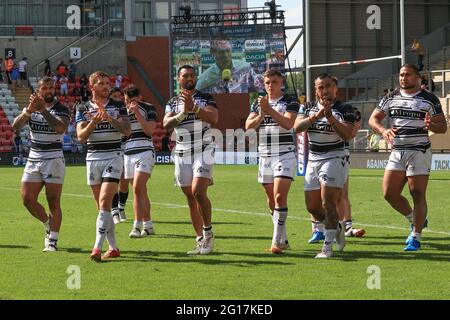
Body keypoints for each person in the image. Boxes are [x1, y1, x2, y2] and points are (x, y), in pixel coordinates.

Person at [368, 63, 447, 251]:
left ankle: (416, 236)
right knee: (389, 194)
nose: (404, 78)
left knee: (417, 193)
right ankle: (415, 219)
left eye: (408, 75)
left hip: (419, 150)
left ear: (418, 78)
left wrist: (431, 126)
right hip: (398, 151)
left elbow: (442, 126)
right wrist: (384, 130)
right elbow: (373, 119)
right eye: (402, 75)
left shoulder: (429, 99)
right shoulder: (391, 97)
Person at [294, 73, 356, 258]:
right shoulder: (307, 107)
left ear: (335, 88)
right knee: (312, 207)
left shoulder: (345, 108)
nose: (324, 90)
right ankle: (336, 225)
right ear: (316, 90)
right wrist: (315, 117)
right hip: (313, 158)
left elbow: (347, 134)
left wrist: (330, 118)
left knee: (328, 202)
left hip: (334, 157)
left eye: (328, 86)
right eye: (320, 87)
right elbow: (297, 127)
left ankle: (327, 247)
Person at [76, 71, 131, 262]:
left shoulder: (118, 106)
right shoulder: (82, 107)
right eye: (101, 83)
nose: (106, 86)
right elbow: (81, 137)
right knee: (102, 208)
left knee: (105, 202)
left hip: (113, 156)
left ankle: (96, 248)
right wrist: (94, 122)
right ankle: (113, 247)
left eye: (107, 83)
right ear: (92, 87)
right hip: (92, 158)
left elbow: (126, 130)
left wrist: (109, 117)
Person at [163, 65, 218, 255]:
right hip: (181, 151)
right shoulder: (172, 102)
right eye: (185, 75)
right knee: (190, 198)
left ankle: (208, 232)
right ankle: (200, 239)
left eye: (192, 75)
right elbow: (166, 124)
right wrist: (183, 113)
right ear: (178, 79)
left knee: (198, 192)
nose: (189, 78)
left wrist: (194, 108)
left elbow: (214, 118)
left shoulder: (205, 98)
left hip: (203, 148)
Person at [12, 76, 70, 252]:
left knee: (53, 201)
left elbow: (60, 128)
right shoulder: (32, 108)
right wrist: (29, 111)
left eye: (51, 87)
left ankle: (52, 240)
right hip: (34, 157)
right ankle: (47, 224)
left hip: (53, 159)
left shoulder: (61, 109)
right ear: (38, 91)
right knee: (27, 199)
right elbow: (16, 126)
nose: (49, 91)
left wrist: (43, 110)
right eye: (45, 88)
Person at [245, 69, 299, 253]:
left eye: (274, 82)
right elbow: (248, 126)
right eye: (267, 82)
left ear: (281, 82)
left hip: (284, 153)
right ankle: (283, 239)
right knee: (271, 199)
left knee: (279, 196)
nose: (270, 85)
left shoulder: (290, 101)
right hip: (265, 154)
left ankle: (276, 241)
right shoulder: (258, 102)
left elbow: (288, 124)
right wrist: (261, 114)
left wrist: (269, 110)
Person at [122, 85, 157, 238]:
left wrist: (137, 113)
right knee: (141, 191)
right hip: (128, 153)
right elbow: (123, 132)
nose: (127, 102)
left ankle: (136, 226)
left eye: (128, 99)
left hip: (145, 151)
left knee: (137, 188)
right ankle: (148, 225)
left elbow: (149, 130)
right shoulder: (122, 111)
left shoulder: (148, 108)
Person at [195, 39, 264, 94]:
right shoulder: (204, 79)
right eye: (221, 52)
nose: (225, 55)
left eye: (228, 51)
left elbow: (259, 89)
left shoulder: (245, 67)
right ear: (213, 52)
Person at [109, 87, 130, 224]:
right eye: (115, 95)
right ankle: (114, 211)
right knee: (112, 181)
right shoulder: (108, 110)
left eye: (119, 95)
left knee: (124, 183)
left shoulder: (126, 111)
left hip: (126, 147)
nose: (117, 97)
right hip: (113, 148)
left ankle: (121, 208)